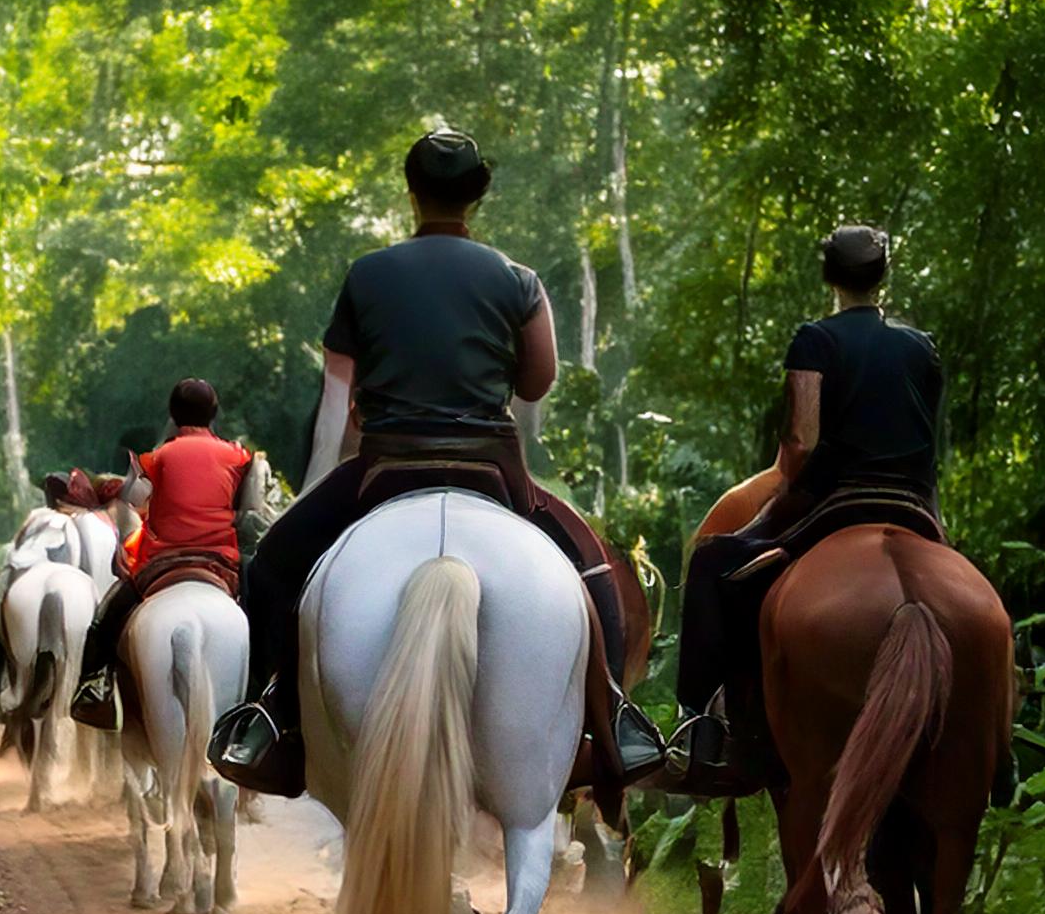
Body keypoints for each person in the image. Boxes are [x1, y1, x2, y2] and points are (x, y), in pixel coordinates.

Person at [208, 128, 665, 795]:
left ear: (411, 190)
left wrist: (308, 496)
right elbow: (539, 383)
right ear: (477, 196)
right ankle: (618, 719)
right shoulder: (519, 280)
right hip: (493, 468)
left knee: (274, 565)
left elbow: (337, 405)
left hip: (385, 465)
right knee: (593, 568)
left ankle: (269, 717)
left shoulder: (366, 275)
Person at [669, 223, 945, 784]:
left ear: (830, 276)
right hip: (914, 502)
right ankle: (1001, 746)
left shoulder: (816, 340)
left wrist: (787, 488)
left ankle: (699, 728)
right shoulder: (923, 348)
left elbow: (801, 442)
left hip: (834, 502)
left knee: (712, 563)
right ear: (882, 275)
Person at [75, 379, 253, 709]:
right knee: (265, 610)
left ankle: (94, 684)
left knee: (108, 614)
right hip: (221, 562)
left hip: (162, 562)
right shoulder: (239, 457)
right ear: (214, 414)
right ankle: (263, 699)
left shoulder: (156, 458)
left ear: (172, 414)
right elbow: (249, 513)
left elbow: (131, 500)